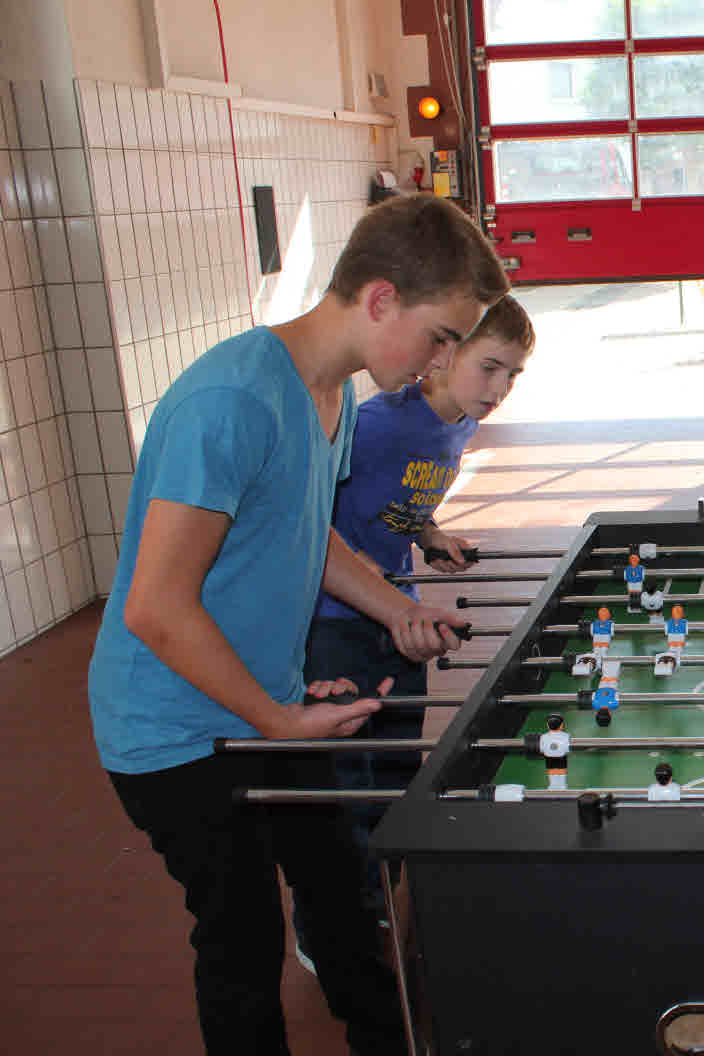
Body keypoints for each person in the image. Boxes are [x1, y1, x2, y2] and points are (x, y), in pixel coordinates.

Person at [87, 193, 508, 1055]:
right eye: (441, 337)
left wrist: (398, 609)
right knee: (242, 940)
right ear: (381, 298)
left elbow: (305, 532)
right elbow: (156, 606)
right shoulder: (232, 402)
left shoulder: (333, 395)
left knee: (345, 903)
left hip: (267, 704)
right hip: (175, 731)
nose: (443, 361)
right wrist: (277, 719)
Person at [298, 295, 534, 940]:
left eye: (514, 374)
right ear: (446, 352)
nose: (500, 389)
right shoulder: (376, 426)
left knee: (400, 761)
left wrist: (430, 536)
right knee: (350, 774)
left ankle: (385, 890)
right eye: (489, 367)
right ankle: (334, 922)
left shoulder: (457, 425)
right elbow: (309, 519)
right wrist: (374, 586)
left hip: (395, 616)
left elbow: (399, 501)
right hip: (333, 619)